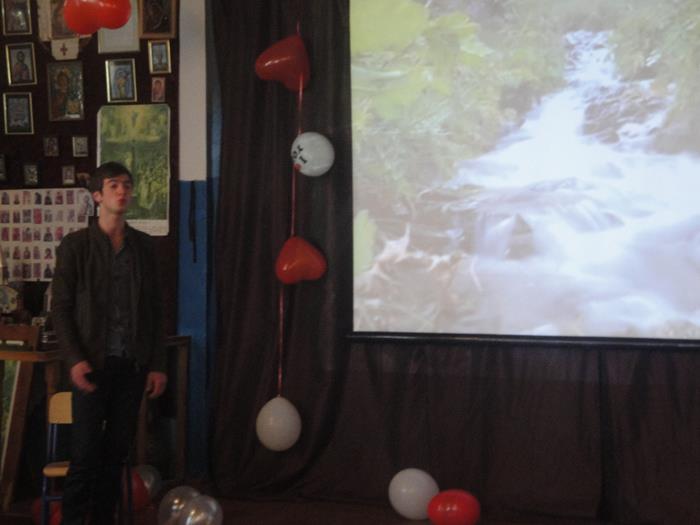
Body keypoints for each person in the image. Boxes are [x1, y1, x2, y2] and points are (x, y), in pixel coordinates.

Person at [51, 162, 167, 525]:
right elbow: (60, 309)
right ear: (97, 195)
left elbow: (156, 310)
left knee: (116, 455)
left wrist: (157, 364)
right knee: (85, 455)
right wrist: (74, 359)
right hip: (90, 364)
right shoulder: (76, 246)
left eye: (127, 185)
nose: (122, 191)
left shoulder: (144, 247)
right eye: (114, 185)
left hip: (131, 365)